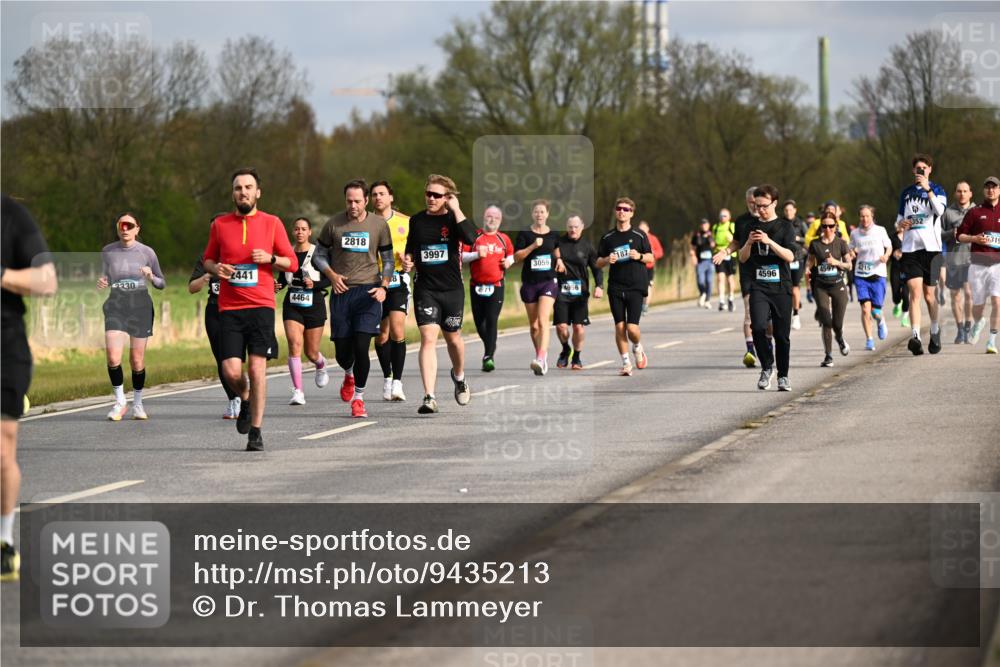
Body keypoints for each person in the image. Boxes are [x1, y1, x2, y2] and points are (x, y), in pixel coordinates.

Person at [203, 168, 298, 451]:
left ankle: (256, 431)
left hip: (260, 307)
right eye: (238, 188)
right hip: (230, 309)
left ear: (258, 192)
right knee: (231, 371)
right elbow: (208, 260)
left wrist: (270, 258)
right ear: (233, 193)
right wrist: (217, 268)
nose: (242, 192)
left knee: (257, 370)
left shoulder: (272, 223)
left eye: (248, 187)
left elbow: (292, 262)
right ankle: (245, 398)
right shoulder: (220, 225)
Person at [1, 195, 57, 581]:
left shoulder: (11, 216)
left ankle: (3, 542)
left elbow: (46, 280)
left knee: (2, 449)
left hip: (4, 346)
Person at [312, 180, 393, 419]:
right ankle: (348, 373)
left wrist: (384, 287)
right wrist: (331, 275)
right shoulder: (333, 224)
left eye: (358, 201)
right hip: (342, 293)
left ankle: (359, 398)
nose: (353, 206)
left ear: (366, 200)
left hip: (369, 292)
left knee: (361, 347)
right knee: (342, 352)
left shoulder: (378, 225)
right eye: (349, 201)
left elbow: (388, 260)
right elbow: (318, 255)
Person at [402, 174, 478, 414]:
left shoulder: (454, 219)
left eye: (437, 195)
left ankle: (459, 377)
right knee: (428, 339)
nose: (431, 198)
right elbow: (411, 248)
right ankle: (429, 396)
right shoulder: (417, 220)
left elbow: (471, 239)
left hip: (452, 290)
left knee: (453, 339)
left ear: (447, 198)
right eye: (428, 194)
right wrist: (408, 260)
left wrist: (457, 209)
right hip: (426, 289)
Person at [98, 213, 166, 421]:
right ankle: (120, 402)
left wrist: (150, 276)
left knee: (136, 360)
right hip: (116, 305)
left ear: (137, 229)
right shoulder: (108, 251)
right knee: (113, 357)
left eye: (129, 225)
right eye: (122, 225)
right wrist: (103, 281)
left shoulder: (147, 252)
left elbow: (161, 283)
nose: (125, 229)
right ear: (117, 228)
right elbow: (107, 277)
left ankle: (138, 403)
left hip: (140, 306)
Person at [738, 184, 796, 391]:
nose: (760, 209)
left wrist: (769, 241)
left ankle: (783, 376)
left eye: (764, 205)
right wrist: (748, 244)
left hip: (781, 287)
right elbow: (742, 258)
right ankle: (766, 367)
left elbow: (790, 256)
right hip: (759, 286)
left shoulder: (785, 227)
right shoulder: (750, 227)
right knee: (758, 327)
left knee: (781, 335)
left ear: (774, 203)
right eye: (757, 205)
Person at [189, 215, 243, 419]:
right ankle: (233, 399)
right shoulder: (206, 258)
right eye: (213, 230)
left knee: (237, 359)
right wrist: (206, 276)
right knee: (222, 358)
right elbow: (191, 288)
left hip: (238, 310)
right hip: (215, 310)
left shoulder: (240, 252)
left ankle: (244, 396)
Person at [895, 153, 947, 355]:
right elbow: (898, 220)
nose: (921, 171)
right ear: (913, 170)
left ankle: (934, 330)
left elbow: (940, 211)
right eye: (918, 168)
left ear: (930, 170)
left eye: (924, 168)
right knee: (915, 293)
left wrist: (928, 190)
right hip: (911, 250)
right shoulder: (906, 193)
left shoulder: (938, 189)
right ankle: (915, 337)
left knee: (929, 295)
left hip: (931, 250)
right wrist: (901, 224)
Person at [276, 217, 330, 406]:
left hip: (314, 304)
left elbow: (329, 279)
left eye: (303, 229)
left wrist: (314, 284)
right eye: (297, 229)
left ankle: (320, 364)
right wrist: (276, 286)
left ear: (309, 232)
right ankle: (298, 391)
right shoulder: (287, 253)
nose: (300, 232)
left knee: (311, 352)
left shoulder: (318, 253)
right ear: (293, 232)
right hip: (292, 303)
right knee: (294, 344)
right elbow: (282, 279)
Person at [596, 197, 653, 376]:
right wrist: (607, 259)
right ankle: (626, 362)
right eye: (619, 208)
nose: (622, 211)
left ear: (632, 213)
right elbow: (597, 262)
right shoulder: (608, 237)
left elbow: (650, 257)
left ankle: (637, 347)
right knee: (619, 327)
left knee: (632, 328)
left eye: (626, 209)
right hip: (615, 286)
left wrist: (639, 256)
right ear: (615, 211)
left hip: (636, 286)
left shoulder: (639, 235)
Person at [513, 200, 564, 375]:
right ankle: (540, 357)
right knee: (534, 326)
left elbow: (556, 249)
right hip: (530, 283)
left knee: (543, 321)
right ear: (532, 214)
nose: (539, 215)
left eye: (542, 212)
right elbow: (517, 257)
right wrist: (533, 246)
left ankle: (541, 358)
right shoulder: (525, 234)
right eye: (536, 212)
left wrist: (559, 260)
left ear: (547, 214)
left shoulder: (554, 234)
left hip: (548, 282)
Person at [713, 187, 763, 368]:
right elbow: (735, 242)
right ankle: (750, 351)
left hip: (768, 274)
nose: (755, 206)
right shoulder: (741, 221)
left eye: (757, 202)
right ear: (747, 202)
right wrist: (725, 252)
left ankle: (768, 346)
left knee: (768, 319)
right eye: (751, 202)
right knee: (750, 313)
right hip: (748, 273)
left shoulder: (771, 220)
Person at [370, 181, 411, 401]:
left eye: (382, 193)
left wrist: (409, 260)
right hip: (373, 283)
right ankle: (387, 376)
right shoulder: (366, 222)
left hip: (397, 281)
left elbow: (415, 250)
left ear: (391, 197)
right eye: (374, 194)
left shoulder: (406, 221)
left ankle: (398, 383)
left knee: (397, 329)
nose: (378, 197)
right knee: (381, 335)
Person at [463, 205, 513, 372]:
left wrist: (508, 262)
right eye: (489, 216)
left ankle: (488, 356)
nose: (492, 220)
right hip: (476, 285)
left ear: (500, 220)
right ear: (484, 218)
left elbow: (511, 255)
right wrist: (477, 254)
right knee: (479, 323)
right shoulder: (474, 237)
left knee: (491, 319)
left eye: (496, 217)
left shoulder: (503, 239)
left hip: (496, 285)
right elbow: (461, 256)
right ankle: (490, 345)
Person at [956, 176, 1000, 354]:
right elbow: (959, 236)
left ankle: (992, 341)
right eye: (988, 187)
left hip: (998, 265)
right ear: (984, 190)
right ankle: (979, 321)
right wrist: (974, 238)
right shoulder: (975, 212)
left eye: (994, 187)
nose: (991, 190)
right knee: (977, 306)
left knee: (997, 301)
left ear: (999, 190)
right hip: (978, 265)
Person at [555, 215, 603, 369]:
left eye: (576, 227)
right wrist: (558, 260)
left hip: (580, 293)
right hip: (561, 291)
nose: (573, 230)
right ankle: (565, 349)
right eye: (570, 227)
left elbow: (597, 268)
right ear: (566, 227)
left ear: (582, 227)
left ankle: (576, 357)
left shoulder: (587, 246)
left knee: (578, 327)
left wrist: (599, 285)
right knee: (561, 327)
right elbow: (550, 257)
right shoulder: (558, 243)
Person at [808, 212, 852, 366]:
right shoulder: (815, 244)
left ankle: (839, 338)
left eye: (831, 226)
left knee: (837, 324)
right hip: (821, 286)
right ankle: (828, 356)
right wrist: (807, 269)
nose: (827, 229)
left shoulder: (841, 243)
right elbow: (810, 261)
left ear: (836, 226)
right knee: (826, 321)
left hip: (838, 285)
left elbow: (849, 265)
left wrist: (836, 263)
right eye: (824, 226)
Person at [848, 205, 893, 351]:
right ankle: (869, 339)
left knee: (875, 311)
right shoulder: (855, 233)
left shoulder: (880, 230)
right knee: (865, 310)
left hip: (878, 273)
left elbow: (889, 246)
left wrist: (886, 256)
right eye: (862, 216)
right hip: (861, 275)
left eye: (867, 216)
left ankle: (880, 321)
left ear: (872, 217)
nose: (865, 219)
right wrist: (851, 253)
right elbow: (850, 248)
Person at [941, 181, 975, 343]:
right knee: (955, 296)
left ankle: (968, 326)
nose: (962, 194)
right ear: (955, 193)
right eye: (959, 191)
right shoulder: (948, 213)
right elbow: (938, 234)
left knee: (968, 293)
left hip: (972, 259)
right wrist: (950, 233)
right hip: (953, 260)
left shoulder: (977, 211)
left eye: (965, 191)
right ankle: (960, 329)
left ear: (970, 193)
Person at [781, 200, 809, 330]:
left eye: (790, 210)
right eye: (786, 210)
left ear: (795, 210)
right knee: (785, 288)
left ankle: (796, 315)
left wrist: (798, 239)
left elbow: (808, 239)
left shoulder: (800, 223)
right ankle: (791, 307)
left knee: (795, 287)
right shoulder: (780, 223)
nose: (788, 212)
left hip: (797, 258)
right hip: (783, 259)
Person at [711, 209, 736, 311]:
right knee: (720, 278)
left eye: (725, 216)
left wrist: (732, 240)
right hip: (718, 253)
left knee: (730, 279)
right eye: (721, 216)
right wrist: (713, 243)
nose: (723, 217)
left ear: (729, 217)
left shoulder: (732, 226)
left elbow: (738, 240)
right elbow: (713, 239)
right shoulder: (715, 227)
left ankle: (731, 298)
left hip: (730, 254)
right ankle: (721, 301)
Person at [638, 220, 664, 314]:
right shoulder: (636, 238)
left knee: (648, 287)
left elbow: (660, 252)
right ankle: (639, 305)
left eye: (644, 229)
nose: (642, 231)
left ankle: (645, 306)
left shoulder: (653, 239)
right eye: (640, 229)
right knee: (639, 287)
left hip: (649, 267)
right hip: (638, 267)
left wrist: (653, 254)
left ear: (648, 229)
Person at [690, 218, 716, 309]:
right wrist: (693, 257)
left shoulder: (711, 234)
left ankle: (707, 300)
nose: (704, 226)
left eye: (706, 224)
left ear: (708, 225)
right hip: (700, 261)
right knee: (700, 281)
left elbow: (713, 245)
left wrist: (709, 237)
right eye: (702, 224)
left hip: (710, 262)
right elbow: (692, 247)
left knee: (709, 281)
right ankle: (703, 293)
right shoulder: (696, 235)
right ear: (700, 226)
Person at [889, 226, 911, 327]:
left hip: (907, 268)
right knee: (895, 292)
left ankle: (905, 317)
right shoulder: (892, 237)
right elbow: (887, 250)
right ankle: (897, 303)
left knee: (906, 295)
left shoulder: (911, 236)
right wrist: (892, 254)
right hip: (896, 268)